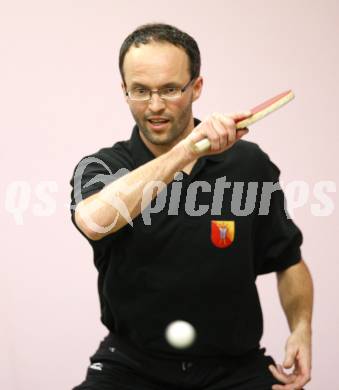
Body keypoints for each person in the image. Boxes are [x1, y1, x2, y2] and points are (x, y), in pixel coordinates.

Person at [69, 23, 313, 390]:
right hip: (132, 366)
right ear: (124, 91)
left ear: (196, 87)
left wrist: (301, 328)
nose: (155, 106)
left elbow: (288, 260)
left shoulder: (248, 166)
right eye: (140, 91)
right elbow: (93, 221)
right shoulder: (102, 168)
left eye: (169, 89)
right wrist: (187, 149)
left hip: (233, 369)